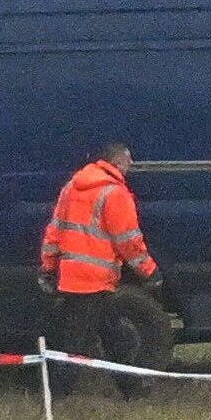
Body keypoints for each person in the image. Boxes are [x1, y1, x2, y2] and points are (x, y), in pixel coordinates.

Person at [41, 141, 162, 398]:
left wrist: (48, 268)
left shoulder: (72, 187)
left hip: (72, 278)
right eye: (128, 161)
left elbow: (54, 230)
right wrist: (149, 271)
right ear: (117, 162)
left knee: (111, 332)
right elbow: (128, 240)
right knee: (76, 342)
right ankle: (56, 396)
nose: (130, 166)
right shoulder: (115, 193)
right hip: (96, 280)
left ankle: (131, 388)